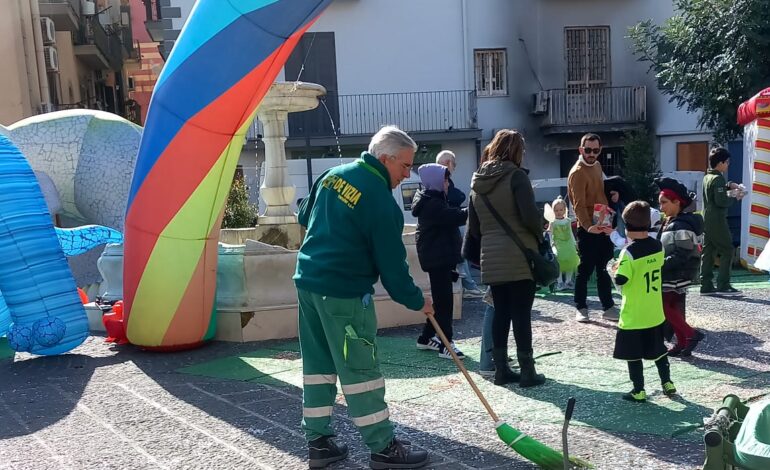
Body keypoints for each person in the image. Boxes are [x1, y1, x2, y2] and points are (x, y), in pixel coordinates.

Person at [294, 125, 433, 469]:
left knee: (318, 365)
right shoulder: (380, 201)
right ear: (385, 159)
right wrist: (418, 301)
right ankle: (383, 447)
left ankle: (319, 442)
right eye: (404, 166)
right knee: (361, 369)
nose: (407, 174)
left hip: (308, 282)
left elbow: (303, 216)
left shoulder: (331, 175)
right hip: (344, 292)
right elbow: (393, 267)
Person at [467, 129, 546, 387]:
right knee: (521, 314)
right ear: (516, 151)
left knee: (500, 312)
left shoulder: (476, 182)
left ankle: (501, 369)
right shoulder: (516, 177)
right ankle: (527, 371)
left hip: (491, 256)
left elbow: (475, 228)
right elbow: (529, 217)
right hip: (519, 254)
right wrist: (542, 226)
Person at [609, 201, 676, 403]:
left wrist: (612, 269)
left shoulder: (627, 253)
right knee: (658, 350)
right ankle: (668, 383)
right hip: (654, 311)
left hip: (634, 314)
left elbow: (621, 279)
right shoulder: (657, 246)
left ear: (627, 226)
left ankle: (639, 390)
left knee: (633, 354)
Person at [413, 163, 467, 359]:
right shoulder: (432, 203)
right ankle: (446, 343)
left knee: (441, 300)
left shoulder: (431, 199)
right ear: (435, 182)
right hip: (438, 259)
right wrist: (477, 208)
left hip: (439, 257)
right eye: (445, 179)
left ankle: (426, 338)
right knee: (445, 302)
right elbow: (455, 217)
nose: (447, 183)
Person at [567, 133, 619, 323]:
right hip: (588, 227)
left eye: (595, 150)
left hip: (604, 222)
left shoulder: (597, 165)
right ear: (581, 150)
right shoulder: (577, 172)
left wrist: (611, 194)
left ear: (600, 150)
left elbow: (599, 189)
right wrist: (589, 227)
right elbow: (578, 204)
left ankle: (608, 306)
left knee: (605, 267)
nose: (591, 154)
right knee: (586, 268)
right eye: (588, 150)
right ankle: (580, 306)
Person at [655, 178, 706, 357]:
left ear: (677, 202)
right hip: (677, 272)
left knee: (663, 306)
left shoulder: (680, 224)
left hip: (675, 273)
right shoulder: (673, 221)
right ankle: (682, 342)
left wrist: (659, 266)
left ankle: (691, 335)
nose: (661, 207)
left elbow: (682, 255)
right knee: (673, 307)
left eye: (664, 202)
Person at [436, 150, 484, 298]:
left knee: (460, 254)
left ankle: (466, 284)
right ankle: (468, 284)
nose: (454, 167)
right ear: (448, 163)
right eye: (453, 163)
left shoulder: (438, 179)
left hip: (448, 224)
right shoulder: (442, 180)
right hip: (448, 225)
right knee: (461, 250)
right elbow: (455, 196)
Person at [701, 147, 743, 295]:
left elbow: (716, 192)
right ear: (721, 163)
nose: (728, 164)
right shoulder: (718, 178)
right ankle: (723, 284)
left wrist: (729, 185)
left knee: (709, 251)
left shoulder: (707, 177)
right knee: (727, 249)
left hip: (706, 218)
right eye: (727, 162)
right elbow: (721, 201)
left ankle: (705, 285)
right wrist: (734, 195)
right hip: (717, 219)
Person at [548, 196, 579, 290]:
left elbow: (570, 232)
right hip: (558, 244)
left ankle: (568, 281)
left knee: (570, 261)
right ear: (553, 211)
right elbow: (550, 234)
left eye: (561, 210)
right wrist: (551, 243)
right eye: (556, 210)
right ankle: (560, 282)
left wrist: (574, 243)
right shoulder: (553, 222)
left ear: (565, 210)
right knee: (559, 263)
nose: (559, 212)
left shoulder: (568, 221)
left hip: (568, 244)